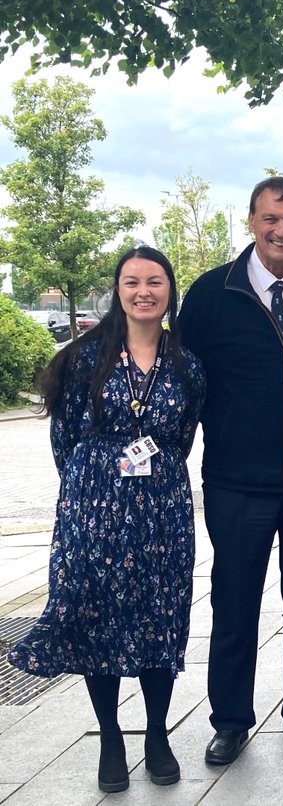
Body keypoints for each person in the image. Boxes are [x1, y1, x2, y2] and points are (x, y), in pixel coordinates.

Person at [8, 247, 205, 793]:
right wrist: (95, 488)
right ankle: (111, 736)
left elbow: (182, 436)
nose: (144, 291)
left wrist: (149, 477)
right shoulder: (83, 359)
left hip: (162, 514)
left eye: (155, 281)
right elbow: (64, 441)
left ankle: (159, 734)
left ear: (170, 290)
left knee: (158, 617)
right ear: (117, 290)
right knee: (98, 620)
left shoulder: (185, 362)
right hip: (92, 512)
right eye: (132, 281)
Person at [178, 175, 283, 765]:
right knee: (235, 603)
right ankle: (229, 720)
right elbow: (190, 384)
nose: (282, 231)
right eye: (271, 220)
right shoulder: (209, 295)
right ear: (251, 221)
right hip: (238, 486)